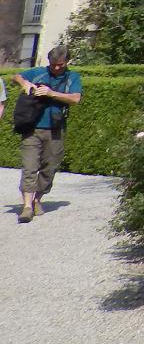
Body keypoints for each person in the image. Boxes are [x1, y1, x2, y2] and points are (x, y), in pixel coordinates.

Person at [13, 46, 82, 222]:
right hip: (32, 127)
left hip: (56, 129)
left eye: (60, 65)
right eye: (53, 64)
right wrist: (25, 83)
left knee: (49, 168)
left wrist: (52, 93)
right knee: (29, 166)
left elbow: (75, 98)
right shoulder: (38, 72)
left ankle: (37, 199)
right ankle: (27, 206)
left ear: (67, 62)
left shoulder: (72, 77)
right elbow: (16, 76)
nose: (56, 68)